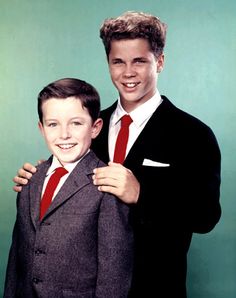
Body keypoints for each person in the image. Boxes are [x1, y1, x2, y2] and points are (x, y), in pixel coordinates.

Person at [12, 11, 221, 298]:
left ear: (159, 62)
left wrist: (141, 194)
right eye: (118, 62)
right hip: (90, 289)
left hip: (155, 287)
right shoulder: (90, 125)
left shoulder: (193, 134)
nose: (128, 73)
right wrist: (41, 179)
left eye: (139, 61)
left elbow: (206, 215)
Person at [5, 78, 133, 298]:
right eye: (53, 124)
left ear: (95, 128)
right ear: (42, 129)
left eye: (76, 123)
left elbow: (114, 275)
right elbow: (16, 259)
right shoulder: (30, 182)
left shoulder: (106, 186)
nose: (64, 134)